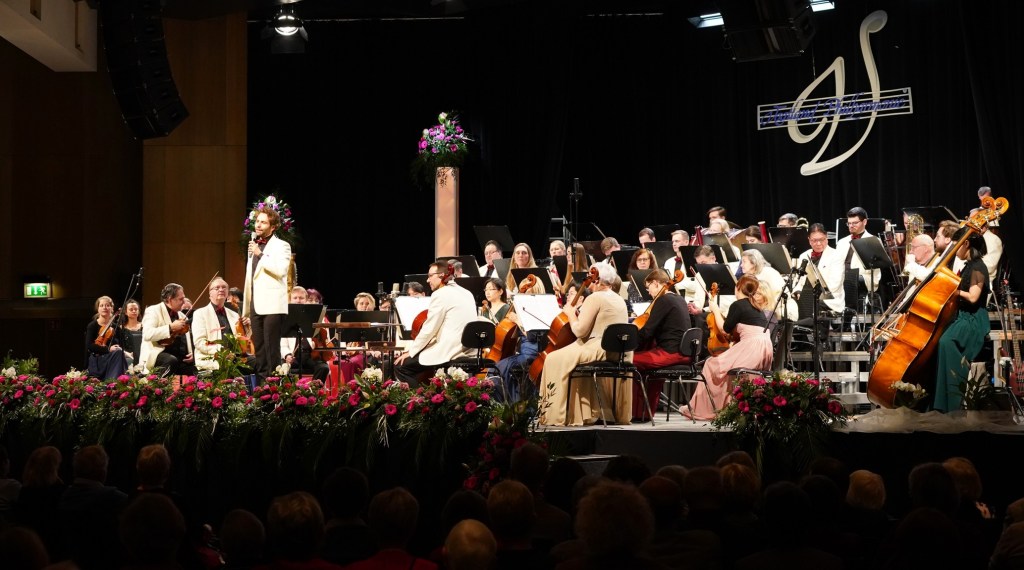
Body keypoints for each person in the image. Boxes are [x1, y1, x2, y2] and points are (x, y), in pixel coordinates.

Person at [538, 262, 630, 426]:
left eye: (591, 277)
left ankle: (556, 415)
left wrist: (571, 313)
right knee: (570, 358)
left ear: (597, 280)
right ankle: (587, 412)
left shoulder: (595, 297)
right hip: (620, 350)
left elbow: (580, 331)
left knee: (552, 358)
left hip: (599, 347)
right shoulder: (618, 298)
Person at [682, 274, 773, 420]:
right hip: (763, 348)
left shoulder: (738, 304)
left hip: (752, 348)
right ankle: (728, 407)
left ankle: (706, 408)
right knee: (725, 367)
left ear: (738, 288)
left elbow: (725, 329)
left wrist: (715, 309)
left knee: (711, 364)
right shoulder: (755, 306)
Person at [932, 229, 990, 412]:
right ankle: (941, 402)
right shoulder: (968, 266)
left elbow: (973, 298)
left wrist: (953, 291)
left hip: (972, 320)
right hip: (961, 317)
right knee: (939, 343)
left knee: (946, 342)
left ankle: (952, 403)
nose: (955, 248)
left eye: (957, 243)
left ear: (966, 244)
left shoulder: (978, 267)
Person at [394, 262, 478, 386]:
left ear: (441, 275)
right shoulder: (467, 292)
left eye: (430, 276)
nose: (427, 280)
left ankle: (421, 402)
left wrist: (411, 352)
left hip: (450, 350)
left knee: (401, 367)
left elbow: (429, 329)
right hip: (470, 350)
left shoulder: (440, 294)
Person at [631, 269, 692, 422]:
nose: (648, 292)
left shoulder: (663, 300)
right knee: (648, 368)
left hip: (671, 353)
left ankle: (635, 412)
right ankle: (644, 413)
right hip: (683, 352)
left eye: (648, 287)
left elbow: (647, 332)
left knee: (629, 361)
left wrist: (630, 343)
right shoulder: (679, 299)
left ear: (656, 283)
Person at [244, 206, 292, 381]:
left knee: (272, 350)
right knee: (260, 351)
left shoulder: (282, 246)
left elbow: (280, 271)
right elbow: (252, 278)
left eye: (263, 222)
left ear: (273, 227)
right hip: (256, 304)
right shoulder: (255, 244)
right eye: (257, 221)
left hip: (272, 305)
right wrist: (247, 307)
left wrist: (260, 254)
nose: (258, 225)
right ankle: (262, 392)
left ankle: (274, 389)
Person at [192, 277, 251, 372]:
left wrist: (247, 328)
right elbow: (200, 342)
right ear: (210, 293)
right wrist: (222, 351)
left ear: (227, 293)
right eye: (217, 288)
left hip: (236, 357)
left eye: (224, 287)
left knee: (258, 362)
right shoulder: (200, 313)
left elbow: (243, 342)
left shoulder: (234, 315)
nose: (221, 289)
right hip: (213, 357)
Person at [140, 283, 196, 377]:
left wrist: (192, 353)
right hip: (157, 353)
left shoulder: (182, 316)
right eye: (181, 299)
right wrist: (170, 327)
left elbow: (187, 339)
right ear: (170, 299)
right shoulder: (153, 310)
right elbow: (147, 334)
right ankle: (157, 389)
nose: (184, 302)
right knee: (171, 361)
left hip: (178, 356)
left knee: (197, 369)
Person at [834, 206, 881, 313]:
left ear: (864, 222)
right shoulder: (842, 242)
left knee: (851, 278)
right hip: (844, 276)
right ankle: (834, 315)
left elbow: (874, 267)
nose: (851, 226)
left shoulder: (873, 240)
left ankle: (848, 313)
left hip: (865, 277)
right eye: (849, 223)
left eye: (855, 223)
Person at [280, 286, 330, 382]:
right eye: (295, 298)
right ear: (290, 300)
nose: (298, 301)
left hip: (310, 355)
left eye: (301, 298)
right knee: (279, 369)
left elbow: (325, 337)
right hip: (293, 356)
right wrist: (287, 355)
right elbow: (282, 343)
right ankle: (291, 393)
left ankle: (314, 392)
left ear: (306, 300)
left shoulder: (316, 316)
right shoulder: (284, 317)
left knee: (323, 367)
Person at [85, 295, 129, 379]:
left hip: (113, 357)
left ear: (112, 308)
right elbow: (89, 346)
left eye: (107, 305)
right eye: (101, 305)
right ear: (98, 309)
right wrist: (108, 349)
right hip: (98, 360)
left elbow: (121, 345)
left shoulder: (116, 327)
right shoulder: (92, 325)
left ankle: (114, 383)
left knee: (119, 352)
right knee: (118, 355)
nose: (104, 307)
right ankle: (113, 383)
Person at [120, 299, 144, 368]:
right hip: (127, 357)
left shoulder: (144, 326)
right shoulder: (121, 328)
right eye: (131, 309)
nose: (134, 311)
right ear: (126, 312)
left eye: (136, 309)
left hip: (142, 356)